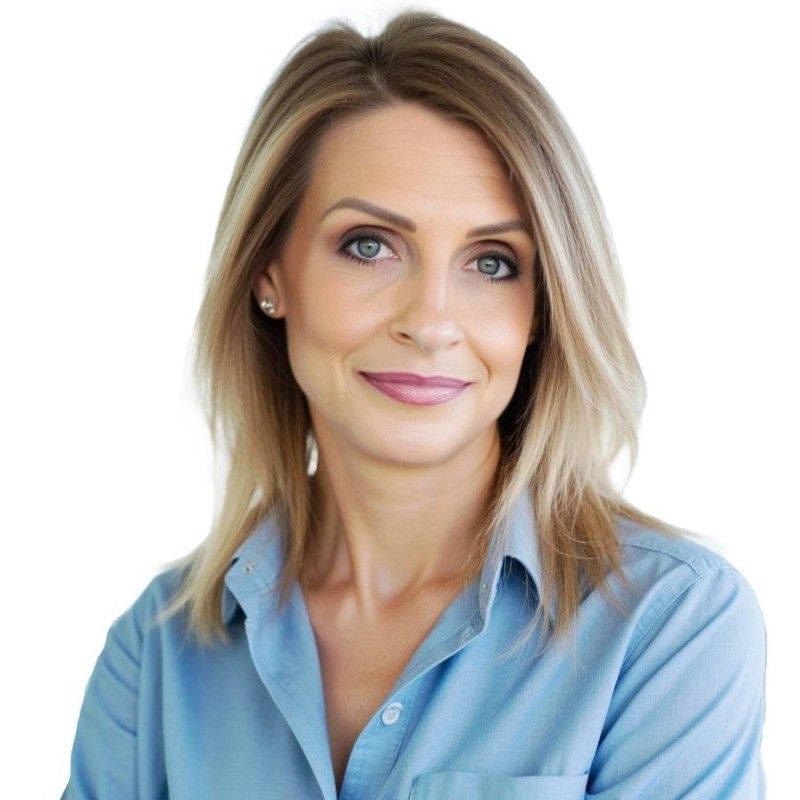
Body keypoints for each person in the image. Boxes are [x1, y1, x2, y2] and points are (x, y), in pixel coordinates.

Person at [61, 10, 767, 800]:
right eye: (368, 245)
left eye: (493, 263)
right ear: (269, 273)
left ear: (545, 307)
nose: (430, 322)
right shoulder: (157, 657)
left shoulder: (669, 626)